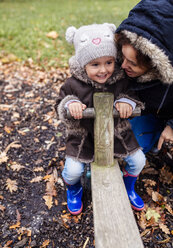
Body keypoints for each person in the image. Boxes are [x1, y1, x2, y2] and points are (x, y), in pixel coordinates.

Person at [55, 23, 146, 215]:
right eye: (95, 64)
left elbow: (134, 96)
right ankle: (73, 190)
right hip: (84, 137)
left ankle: (128, 186)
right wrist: (70, 104)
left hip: (116, 134)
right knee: (73, 171)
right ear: (83, 64)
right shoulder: (73, 84)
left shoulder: (120, 80)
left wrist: (126, 102)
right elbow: (60, 103)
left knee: (138, 160)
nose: (103, 70)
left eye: (109, 62)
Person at [115, 0, 173, 154]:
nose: (123, 65)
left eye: (132, 63)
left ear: (155, 63)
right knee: (128, 145)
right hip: (145, 114)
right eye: (123, 57)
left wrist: (172, 127)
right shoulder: (120, 60)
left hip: (164, 115)